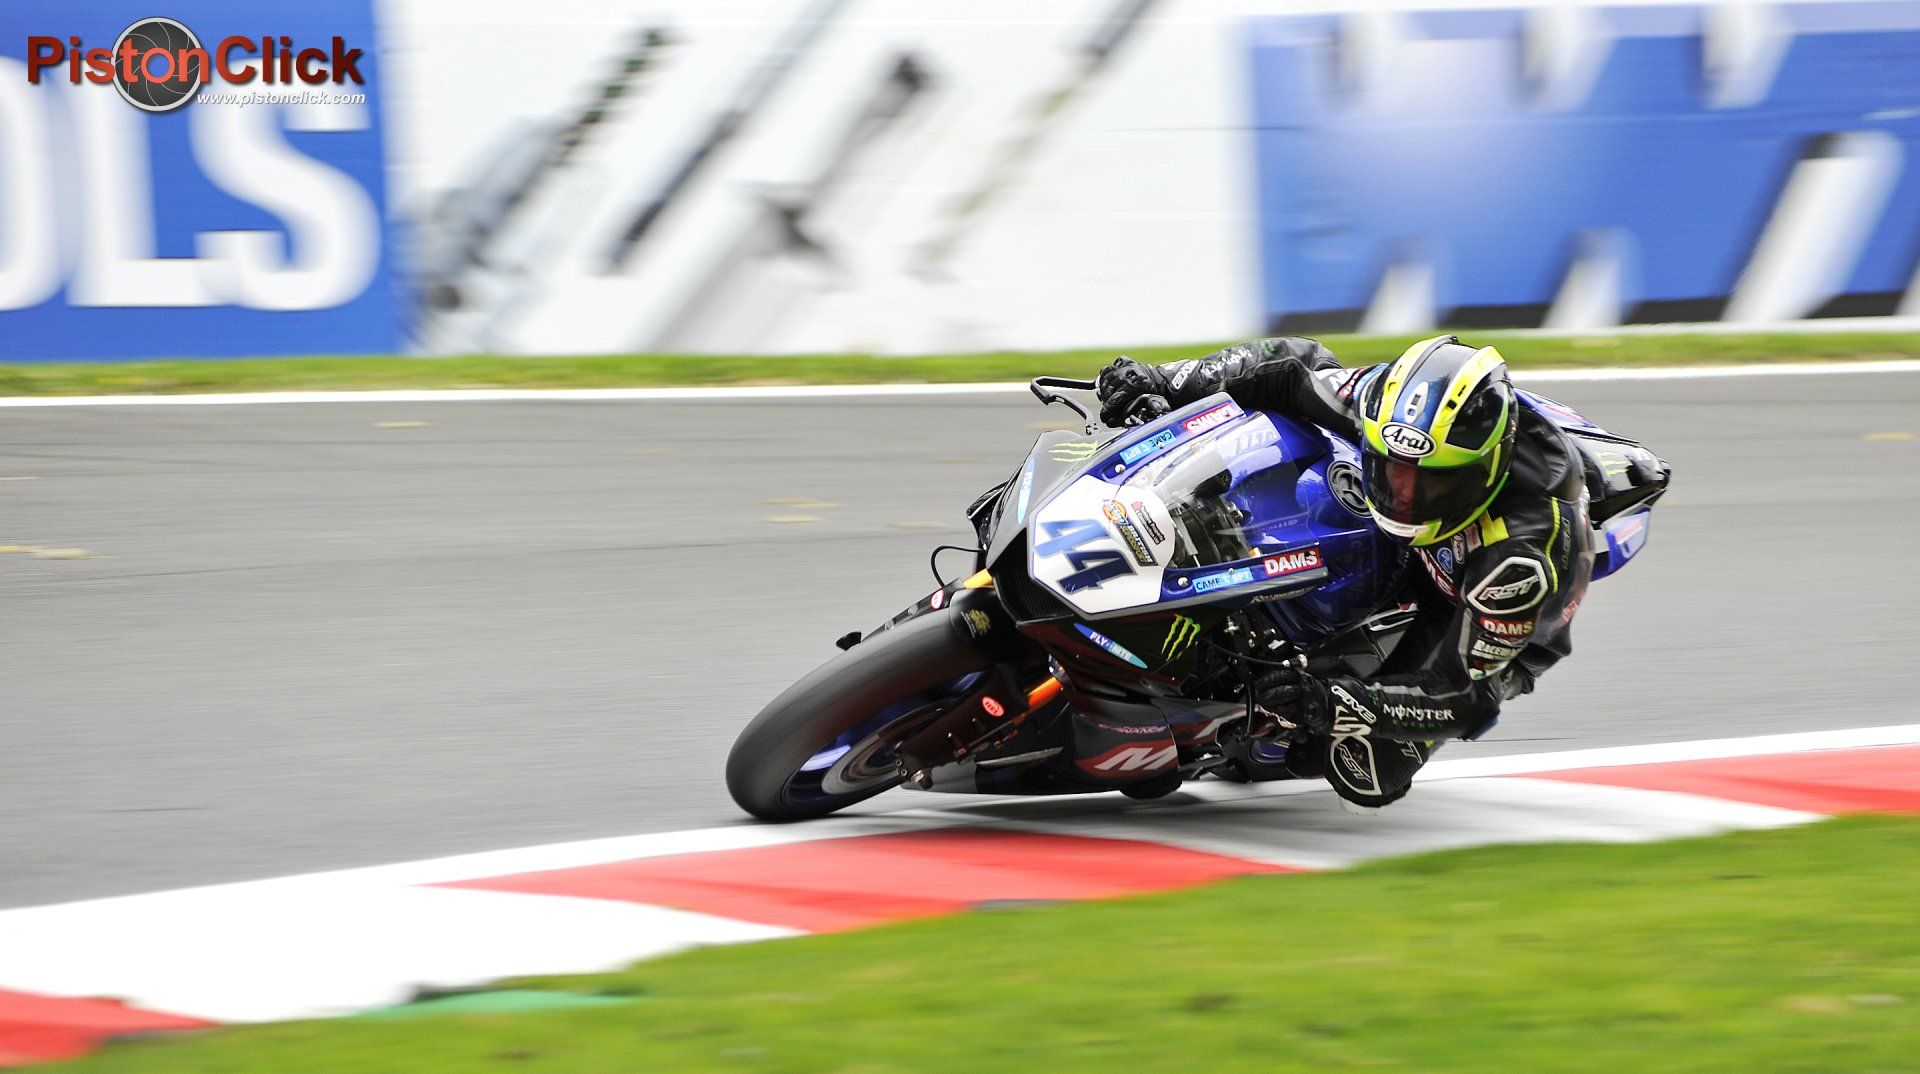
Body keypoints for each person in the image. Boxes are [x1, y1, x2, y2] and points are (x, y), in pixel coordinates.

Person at [1097, 335, 1662, 812]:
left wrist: (1330, 701)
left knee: (1363, 772)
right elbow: (1292, 366)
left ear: (1483, 470)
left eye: (1430, 483)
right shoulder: (1385, 405)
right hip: (1434, 535)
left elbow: (1465, 694)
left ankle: (1260, 730)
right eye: (1391, 470)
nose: (1404, 495)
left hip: (1467, 610)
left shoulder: (1521, 559)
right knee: (1312, 487)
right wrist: (1166, 380)